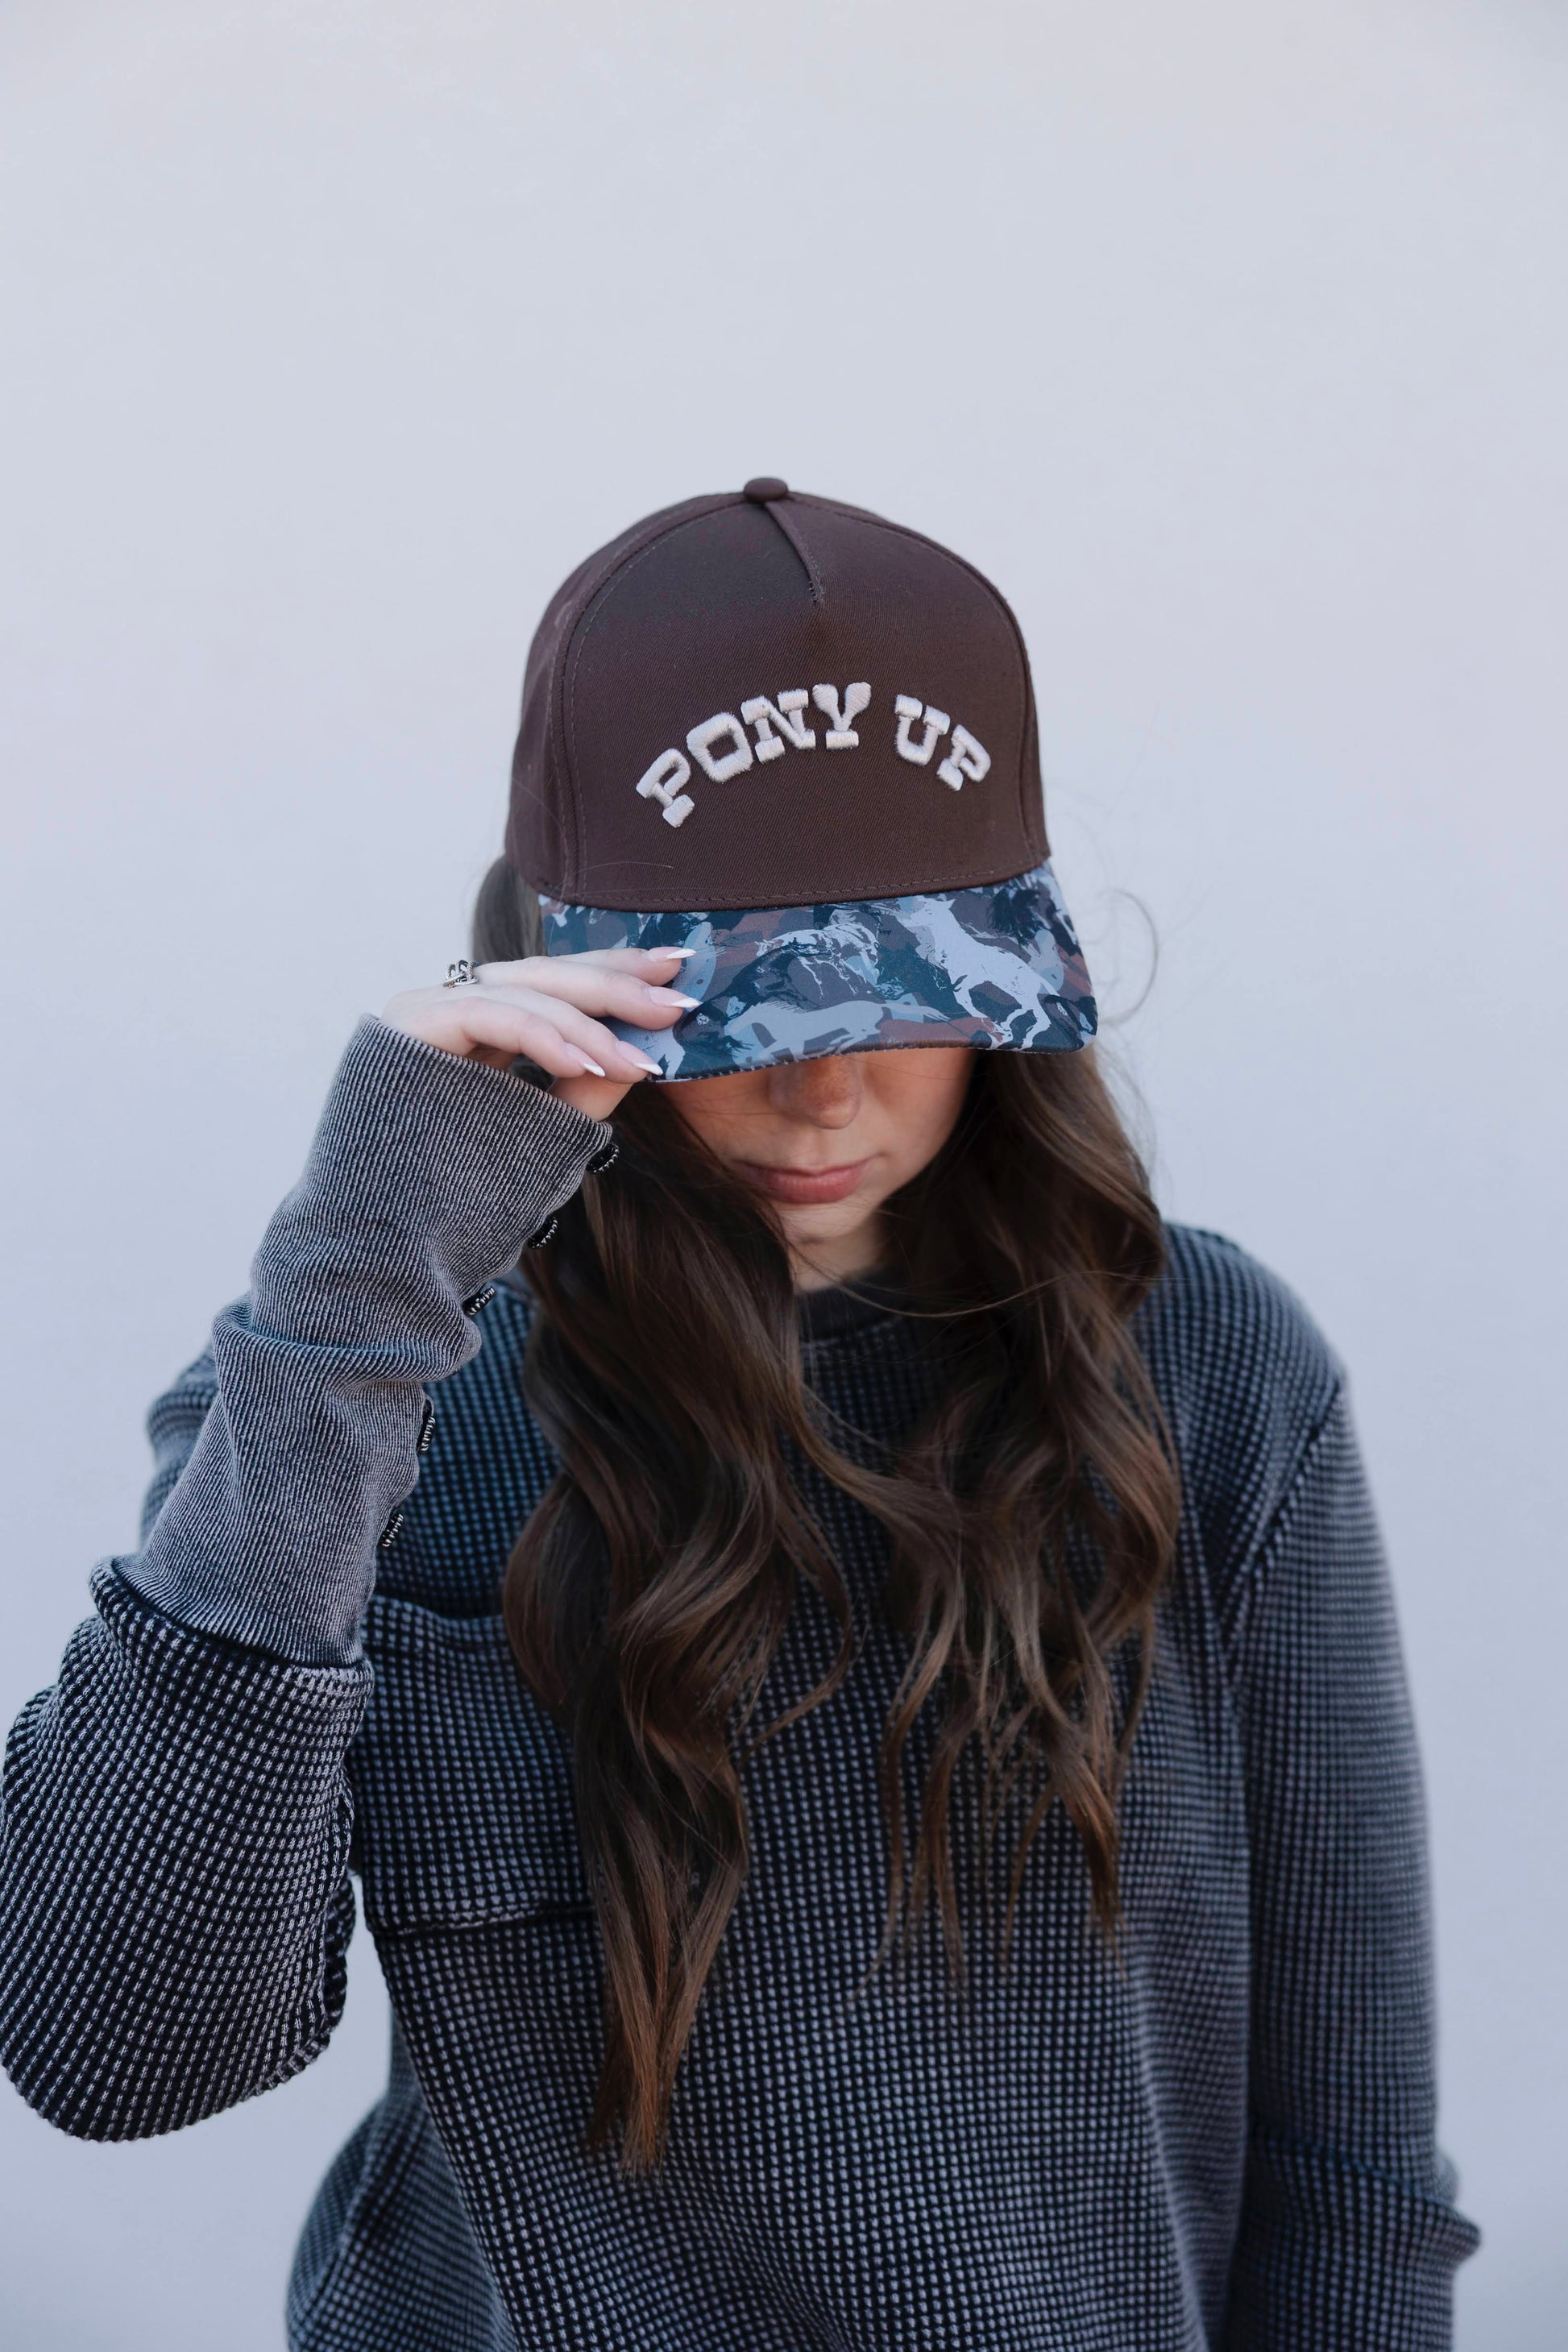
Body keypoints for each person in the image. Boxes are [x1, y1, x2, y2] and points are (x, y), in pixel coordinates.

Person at [0, 480, 1476, 2349]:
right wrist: (366, 1268)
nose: (825, 1093)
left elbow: (1348, 2169)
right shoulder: (370, 1387)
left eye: (910, 991)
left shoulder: (1209, 1373)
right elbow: (116, 2046)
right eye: (740, 1013)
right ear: (555, 961)